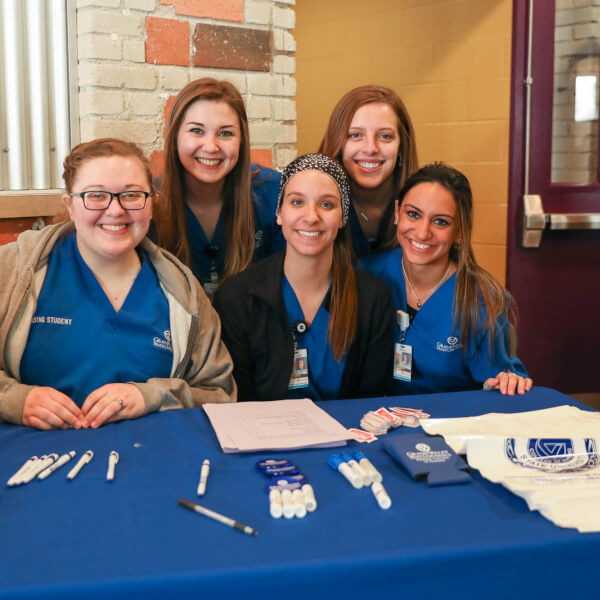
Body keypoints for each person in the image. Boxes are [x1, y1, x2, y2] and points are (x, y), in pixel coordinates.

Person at [0, 138, 236, 430]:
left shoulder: (182, 291)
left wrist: (152, 395)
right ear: (70, 205)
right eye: (96, 195)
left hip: (151, 461)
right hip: (33, 462)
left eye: (132, 195)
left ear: (152, 204)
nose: (115, 210)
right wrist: (14, 399)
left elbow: (220, 394)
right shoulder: (12, 271)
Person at [214, 154, 394, 402]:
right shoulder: (236, 297)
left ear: (343, 217)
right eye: (297, 202)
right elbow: (239, 402)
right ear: (279, 213)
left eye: (327, 205)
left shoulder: (373, 299)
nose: (311, 217)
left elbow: (367, 402)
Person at [362, 162, 533, 396]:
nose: (422, 233)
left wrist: (507, 381)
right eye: (413, 214)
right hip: (376, 418)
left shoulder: (480, 298)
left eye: (440, 221)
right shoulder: (367, 275)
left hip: (451, 422)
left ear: (460, 229)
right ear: (396, 212)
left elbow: (497, 382)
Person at [153, 77, 284, 297]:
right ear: (174, 136)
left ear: (242, 140)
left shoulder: (276, 193)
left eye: (225, 133)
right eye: (196, 131)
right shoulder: (148, 201)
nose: (211, 147)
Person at [319, 85, 418, 259]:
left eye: (385, 136)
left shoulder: (423, 203)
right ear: (338, 143)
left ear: (402, 145)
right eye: (355, 135)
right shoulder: (312, 207)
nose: (371, 148)